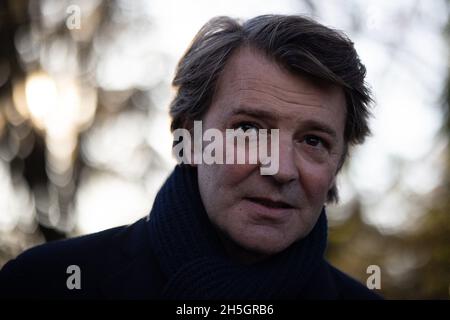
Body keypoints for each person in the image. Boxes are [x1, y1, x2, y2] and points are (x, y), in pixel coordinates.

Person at [0, 15, 381, 299]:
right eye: (248, 131)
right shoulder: (44, 285)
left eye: (313, 141)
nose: (279, 168)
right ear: (190, 139)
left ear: (337, 165)